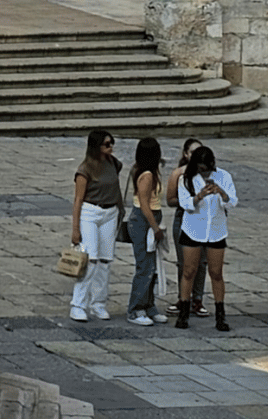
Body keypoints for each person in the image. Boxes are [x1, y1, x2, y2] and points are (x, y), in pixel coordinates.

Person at [174, 146, 237, 331]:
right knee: (189, 271)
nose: (205, 172)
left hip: (216, 230)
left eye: (208, 168)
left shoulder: (223, 176)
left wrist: (222, 193)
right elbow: (185, 204)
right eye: (202, 168)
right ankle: (184, 311)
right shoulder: (185, 179)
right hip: (194, 228)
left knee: (216, 273)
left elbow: (232, 202)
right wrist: (199, 196)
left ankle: (220, 314)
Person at [69, 130, 121, 322]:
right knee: (90, 259)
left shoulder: (113, 163)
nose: (110, 147)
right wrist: (75, 229)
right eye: (106, 144)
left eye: (111, 144)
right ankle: (78, 304)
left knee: (105, 261)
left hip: (110, 212)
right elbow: (78, 200)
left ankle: (98, 303)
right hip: (91, 212)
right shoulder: (85, 170)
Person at [125, 138, 168, 326]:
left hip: (151, 217)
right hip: (144, 220)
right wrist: (155, 227)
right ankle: (135, 308)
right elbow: (144, 204)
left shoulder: (148, 171)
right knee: (144, 267)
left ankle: (149, 305)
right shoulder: (147, 175)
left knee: (153, 266)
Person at [166, 138, 210, 318]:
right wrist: (189, 200)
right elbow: (170, 200)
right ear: (185, 154)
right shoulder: (178, 174)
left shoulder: (207, 173)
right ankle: (183, 297)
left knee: (202, 261)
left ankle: (198, 299)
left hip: (204, 220)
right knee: (184, 263)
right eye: (192, 152)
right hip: (184, 218)